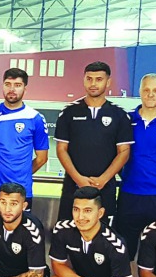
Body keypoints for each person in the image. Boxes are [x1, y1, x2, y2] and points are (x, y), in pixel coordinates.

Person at [114, 73, 156, 259]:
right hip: (129, 195)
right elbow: (118, 154)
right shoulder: (127, 120)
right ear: (140, 92)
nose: (151, 94)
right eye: (146, 90)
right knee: (123, 253)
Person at [55, 61, 132, 222]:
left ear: (108, 82)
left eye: (99, 79)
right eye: (89, 79)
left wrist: (103, 179)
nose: (93, 84)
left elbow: (124, 152)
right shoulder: (69, 112)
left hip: (105, 188)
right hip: (73, 186)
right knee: (67, 234)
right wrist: (79, 179)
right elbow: (61, 149)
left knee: (104, 237)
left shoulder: (119, 115)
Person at [0, 67, 49, 210]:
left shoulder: (35, 118)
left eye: (17, 85)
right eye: (8, 84)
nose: (12, 89)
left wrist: (20, 174)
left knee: (19, 233)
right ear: (2, 86)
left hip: (20, 193)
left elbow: (42, 158)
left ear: (25, 89)